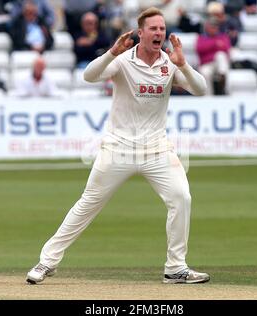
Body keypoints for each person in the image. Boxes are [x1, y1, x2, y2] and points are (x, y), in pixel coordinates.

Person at [26, 7, 210, 285]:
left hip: (157, 149)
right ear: (141, 33)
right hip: (118, 148)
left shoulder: (170, 63)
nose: (159, 33)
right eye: (153, 29)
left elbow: (201, 89)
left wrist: (183, 64)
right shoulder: (124, 60)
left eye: (162, 28)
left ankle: (176, 268)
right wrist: (112, 52)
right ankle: (46, 262)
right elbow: (89, 76)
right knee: (88, 203)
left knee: (182, 198)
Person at [196, 17, 231, 95]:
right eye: (211, 26)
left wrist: (209, 50)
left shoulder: (223, 37)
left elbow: (226, 49)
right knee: (205, 72)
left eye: (215, 26)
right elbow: (200, 49)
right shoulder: (201, 37)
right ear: (207, 27)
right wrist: (215, 44)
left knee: (220, 55)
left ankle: (223, 77)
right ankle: (208, 98)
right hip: (206, 64)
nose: (214, 28)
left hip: (218, 64)